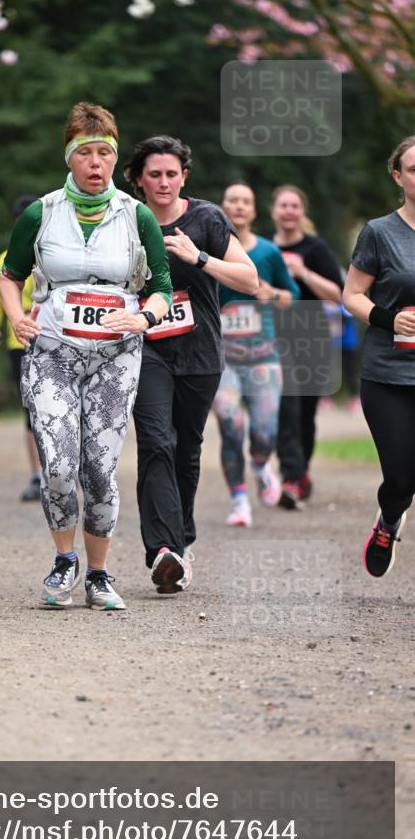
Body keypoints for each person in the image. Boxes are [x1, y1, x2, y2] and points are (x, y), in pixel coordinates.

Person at [0, 103, 172, 610]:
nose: (96, 163)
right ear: (69, 158)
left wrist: (144, 318)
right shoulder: (42, 212)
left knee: (98, 467)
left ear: (115, 159)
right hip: (53, 351)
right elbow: (11, 276)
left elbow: (160, 286)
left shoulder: (136, 215)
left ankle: (98, 573)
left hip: (115, 356)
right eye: (86, 154)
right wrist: (16, 317)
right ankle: (63, 561)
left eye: (104, 154)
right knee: (57, 464)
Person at [123, 137, 258, 592]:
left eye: (171, 173)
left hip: (199, 353)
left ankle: (180, 546)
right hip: (146, 349)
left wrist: (198, 257)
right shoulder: (125, 218)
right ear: (139, 179)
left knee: (187, 449)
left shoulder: (206, 218)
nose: (163, 182)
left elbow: (250, 279)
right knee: (157, 440)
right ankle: (162, 548)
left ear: (184, 176)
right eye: (154, 174)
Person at [343, 134, 415, 578]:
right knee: (402, 476)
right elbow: (352, 295)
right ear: (398, 176)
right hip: (388, 374)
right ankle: (388, 522)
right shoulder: (380, 232)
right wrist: (390, 320)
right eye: (414, 169)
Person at [213, 181, 300, 527]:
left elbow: (291, 296)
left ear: (253, 210)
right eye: (232, 199)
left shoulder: (267, 252)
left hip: (263, 356)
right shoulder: (208, 249)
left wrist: (272, 294)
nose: (238, 206)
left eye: (245, 201)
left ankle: (262, 466)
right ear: (223, 206)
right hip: (222, 358)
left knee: (264, 432)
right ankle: (238, 499)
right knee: (230, 423)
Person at [270, 185, 344, 509]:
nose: (288, 211)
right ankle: (291, 476)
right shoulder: (265, 249)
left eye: (294, 206)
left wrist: (304, 273)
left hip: (311, 334)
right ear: (273, 210)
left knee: (305, 412)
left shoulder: (316, 248)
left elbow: (338, 294)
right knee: (283, 408)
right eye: (283, 205)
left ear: (302, 212)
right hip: (274, 335)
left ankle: (300, 474)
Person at [0, 195, 41, 502]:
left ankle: (71, 471)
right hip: (20, 341)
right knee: (31, 410)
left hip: (57, 336)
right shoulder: (4, 260)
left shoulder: (58, 254)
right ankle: (37, 475)